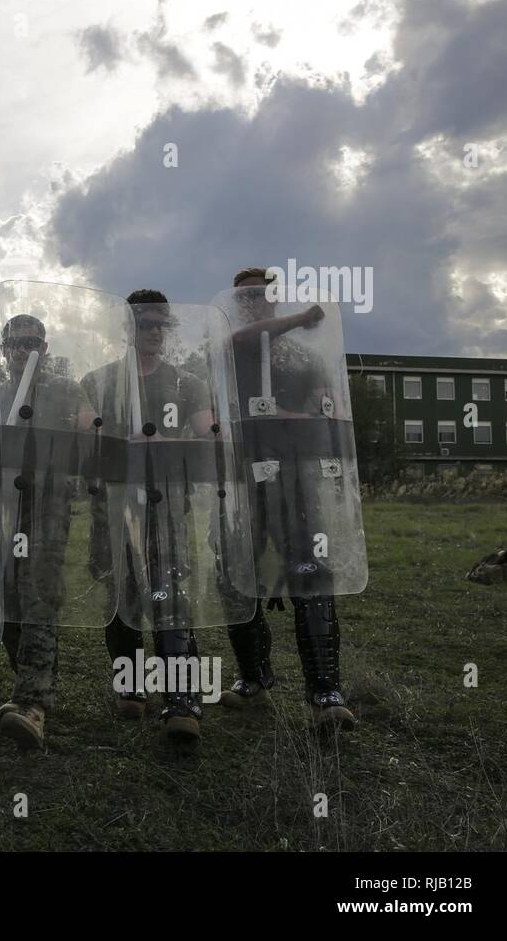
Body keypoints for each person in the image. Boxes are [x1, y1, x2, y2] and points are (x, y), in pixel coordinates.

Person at [217, 267, 356, 730]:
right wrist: (300, 317)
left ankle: (324, 688)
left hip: (298, 475)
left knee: (311, 571)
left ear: (273, 297)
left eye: (259, 296)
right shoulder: (229, 348)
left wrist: (297, 411)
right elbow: (243, 341)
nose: (251, 303)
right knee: (236, 571)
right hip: (240, 478)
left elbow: (324, 403)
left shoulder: (301, 355)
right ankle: (254, 676)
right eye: (244, 298)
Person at [83, 290, 213, 740]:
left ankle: (182, 700)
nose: (154, 332)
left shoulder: (187, 383)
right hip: (114, 507)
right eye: (145, 324)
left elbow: (206, 437)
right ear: (128, 328)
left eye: (162, 324)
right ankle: (131, 687)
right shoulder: (100, 382)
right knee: (119, 594)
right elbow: (86, 439)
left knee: (169, 591)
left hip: (168, 506)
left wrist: (163, 445)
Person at [0, 314, 94, 750]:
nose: (22, 350)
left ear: (44, 349)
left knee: (39, 593)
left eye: (31, 343)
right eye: (14, 343)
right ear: (4, 348)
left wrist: (86, 428)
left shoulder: (65, 389)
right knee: (6, 596)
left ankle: (33, 702)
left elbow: (91, 423)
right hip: (4, 507)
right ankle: (28, 684)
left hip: (48, 503)